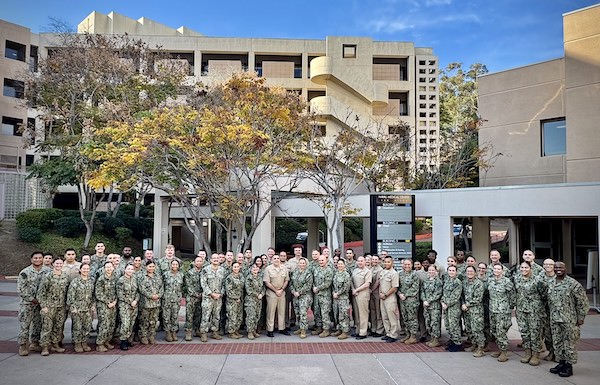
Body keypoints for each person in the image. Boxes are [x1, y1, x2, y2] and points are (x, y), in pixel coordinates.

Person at [547, 261, 589, 377]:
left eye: (560, 267)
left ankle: (569, 367)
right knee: (558, 342)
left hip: (569, 319)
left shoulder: (573, 284)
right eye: (556, 267)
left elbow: (583, 302)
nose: (558, 269)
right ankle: (561, 363)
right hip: (555, 319)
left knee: (569, 343)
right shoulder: (551, 282)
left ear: (565, 268)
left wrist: (581, 317)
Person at [17, 251, 50, 356]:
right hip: (27, 303)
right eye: (35, 258)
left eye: (40, 258)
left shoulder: (48, 271)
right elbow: (21, 289)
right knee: (25, 324)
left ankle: (35, 343)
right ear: (31, 260)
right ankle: (23, 345)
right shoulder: (25, 272)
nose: (38, 260)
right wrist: (32, 299)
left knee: (38, 324)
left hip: (41, 303)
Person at [513, 261, 546, 365]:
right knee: (524, 332)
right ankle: (527, 353)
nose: (524, 269)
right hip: (521, 310)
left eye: (526, 267)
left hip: (534, 311)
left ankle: (536, 354)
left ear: (530, 268)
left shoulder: (537, 280)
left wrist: (538, 306)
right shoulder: (517, 279)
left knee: (535, 333)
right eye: (522, 267)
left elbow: (544, 294)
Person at [38, 257, 69, 356]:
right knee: (47, 327)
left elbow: (67, 291)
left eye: (60, 264)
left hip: (61, 306)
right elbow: (41, 293)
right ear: (53, 264)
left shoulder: (65, 276)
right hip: (49, 306)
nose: (59, 265)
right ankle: (45, 347)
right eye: (57, 264)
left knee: (58, 326)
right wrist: (43, 306)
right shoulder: (48, 276)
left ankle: (55, 344)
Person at [488, 262, 515, 362]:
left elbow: (512, 295)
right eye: (495, 269)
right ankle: (499, 349)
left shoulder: (507, 282)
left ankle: (504, 352)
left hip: (503, 311)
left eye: (499, 269)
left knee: (501, 331)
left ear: (502, 271)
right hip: (493, 309)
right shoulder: (490, 281)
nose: (496, 271)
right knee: (494, 331)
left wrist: (510, 307)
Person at [67, 263, 94, 353]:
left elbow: (93, 295)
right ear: (80, 270)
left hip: (87, 308)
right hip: (77, 308)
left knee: (86, 326)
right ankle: (77, 343)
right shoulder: (75, 281)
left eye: (87, 269)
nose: (86, 270)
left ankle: (84, 342)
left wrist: (92, 305)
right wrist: (73, 307)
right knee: (77, 327)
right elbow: (71, 295)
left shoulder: (91, 281)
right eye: (84, 269)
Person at [199, 253, 227, 342]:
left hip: (218, 298)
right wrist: (211, 293)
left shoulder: (223, 270)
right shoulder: (205, 270)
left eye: (217, 258)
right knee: (206, 316)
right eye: (213, 258)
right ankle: (203, 333)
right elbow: (203, 283)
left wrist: (221, 293)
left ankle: (214, 332)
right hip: (208, 297)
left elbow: (224, 283)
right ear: (210, 260)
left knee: (216, 316)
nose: (215, 260)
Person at [263, 254, 289, 337]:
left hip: (281, 292)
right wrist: (275, 291)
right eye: (275, 258)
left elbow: (286, 280)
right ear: (271, 260)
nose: (277, 259)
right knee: (271, 312)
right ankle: (270, 330)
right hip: (271, 293)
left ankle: (282, 328)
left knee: (282, 311)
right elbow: (267, 282)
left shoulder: (284, 268)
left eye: (278, 258)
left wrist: (281, 290)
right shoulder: (268, 269)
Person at [138, 260, 164, 344]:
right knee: (144, 321)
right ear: (146, 267)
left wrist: (158, 295)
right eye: (150, 266)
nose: (151, 268)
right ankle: (144, 336)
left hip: (156, 303)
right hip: (146, 303)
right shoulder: (142, 276)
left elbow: (161, 287)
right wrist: (151, 296)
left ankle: (151, 336)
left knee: (153, 321)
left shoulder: (158, 276)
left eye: (153, 266)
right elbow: (142, 289)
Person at [462, 265, 485, 357]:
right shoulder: (464, 283)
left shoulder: (479, 283)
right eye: (468, 271)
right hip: (467, 311)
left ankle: (480, 348)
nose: (469, 273)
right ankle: (474, 344)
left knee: (477, 329)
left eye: (471, 271)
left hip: (476, 311)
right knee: (469, 329)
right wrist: (463, 304)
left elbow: (478, 299)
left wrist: (466, 304)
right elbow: (462, 295)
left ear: (475, 273)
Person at [95, 261, 118, 352]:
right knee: (104, 324)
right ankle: (100, 343)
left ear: (113, 268)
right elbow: (98, 293)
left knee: (111, 324)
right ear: (104, 268)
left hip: (113, 304)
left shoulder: (115, 278)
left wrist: (114, 301)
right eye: (107, 267)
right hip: (103, 305)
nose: (109, 269)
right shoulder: (101, 279)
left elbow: (117, 291)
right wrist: (108, 302)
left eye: (110, 267)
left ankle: (107, 341)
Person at [116, 263, 139, 350]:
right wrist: (130, 302)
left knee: (131, 323)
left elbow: (137, 292)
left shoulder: (134, 279)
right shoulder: (121, 280)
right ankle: (123, 341)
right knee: (125, 323)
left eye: (131, 269)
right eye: (128, 269)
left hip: (134, 305)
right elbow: (120, 294)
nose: (130, 271)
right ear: (125, 270)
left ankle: (128, 339)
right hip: (124, 305)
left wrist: (135, 300)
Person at [398, 259, 420, 344]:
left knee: (412, 318)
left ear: (412, 265)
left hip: (411, 300)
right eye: (405, 264)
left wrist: (405, 295)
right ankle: (407, 334)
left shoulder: (415, 275)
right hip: (402, 300)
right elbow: (398, 286)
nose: (407, 266)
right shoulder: (400, 274)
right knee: (405, 318)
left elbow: (415, 288)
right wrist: (400, 294)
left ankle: (413, 336)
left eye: (408, 264)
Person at [441, 265, 463, 352]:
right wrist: (443, 302)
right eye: (450, 270)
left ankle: (458, 343)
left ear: (456, 272)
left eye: (453, 270)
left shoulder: (457, 282)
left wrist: (447, 304)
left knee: (454, 325)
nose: (451, 272)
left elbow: (455, 296)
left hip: (454, 307)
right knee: (448, 325)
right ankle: (453, 341)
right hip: (446, 306)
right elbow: (444, 293)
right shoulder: (447, 281)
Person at [379, 256, 400, 343]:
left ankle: (394, 334)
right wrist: (380, 293)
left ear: (392, 263)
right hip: (382, 297)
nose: (386, 263)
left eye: (388, 262)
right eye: (385, 262)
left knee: (392, 317)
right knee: (385, 316)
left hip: (390, 297)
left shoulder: (394, 273)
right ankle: (388, 333)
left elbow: (395, 287)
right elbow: (380, 283)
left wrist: (386, 295)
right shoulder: (383, 272)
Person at [290, 257, 313, 339]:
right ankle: (300, 327)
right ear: (298, 264)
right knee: (298, 313)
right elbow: (291, 283)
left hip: (304, 296)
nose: (302, 264)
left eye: (303, 263)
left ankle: (303, 330)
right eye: (301, 263)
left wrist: (299, 292)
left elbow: (308, 285)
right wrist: (293, 291)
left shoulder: (308, 273)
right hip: (296, 296)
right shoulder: (295, 272)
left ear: (306, 264)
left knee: (303, 313)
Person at [184, 253, 205, 341]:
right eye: (197, 261)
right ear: (194, 262)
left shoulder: (204, 271)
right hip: (192, 297)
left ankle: (197, 330)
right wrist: (196, 294)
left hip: (202, 297)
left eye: (200, 261)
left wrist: (202, 294)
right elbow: (188, 286)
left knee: (199, 314)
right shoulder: (189, 273)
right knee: (190, 315)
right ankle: (188, 332)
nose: (199, 262)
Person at [421, 265, 442, 347]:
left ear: (436, 271)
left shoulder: (438, 281)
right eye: (429, 270)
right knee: (428, 322)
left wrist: (428, 301)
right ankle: (432, 338)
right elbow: (422, 291)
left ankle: (436, 339)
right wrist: (424, 300)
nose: (431, 272)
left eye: (433, 270)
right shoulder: (426, 281)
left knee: (435, 323)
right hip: (426, 306)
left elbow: (438, 293)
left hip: (434, 306)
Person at [162, 259, 183, 342]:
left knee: (174, 316)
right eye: (173, 264)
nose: (174, 266)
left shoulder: (181, 275)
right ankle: (168, 332)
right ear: (170, 265)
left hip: (176, 299)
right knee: (166, 316)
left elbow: (183, 286)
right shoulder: (165, 274)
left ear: (178, 266)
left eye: (176, 264)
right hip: (167, 298)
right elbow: (161, 285)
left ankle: (174, 331)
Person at [312, 255, 333, 337]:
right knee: (317, 312)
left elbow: (328, 283)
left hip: (325, 295)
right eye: (320, 260)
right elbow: (314, 280)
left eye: (322, 260)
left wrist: (318, 288)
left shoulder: (329, 270)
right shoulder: (316, 269)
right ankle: (319, 327)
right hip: (317, 295)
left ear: (326, 261)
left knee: (325, 313)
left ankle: (326, 329)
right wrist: (314, 287)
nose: (321, 262)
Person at [351, 256, 372, 339]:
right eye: (358, 261)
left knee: (363, 314)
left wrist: (357, 290)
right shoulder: (355, 270)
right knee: (357, 314)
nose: (360, 262)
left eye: (361, 261)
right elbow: (351, 281)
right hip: (355, 294)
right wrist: (353, 289)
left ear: (365, 262)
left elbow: (367, 284)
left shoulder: (367, 271)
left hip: (363, 294)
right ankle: (358, 330)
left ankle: (363, 332)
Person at [540, 258, 556, 362]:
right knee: (547, 333)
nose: (548, 266)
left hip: (557, 311)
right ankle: (551, 352)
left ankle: (559, 354)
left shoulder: (559, 278)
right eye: (546, 264)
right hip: (544, 311)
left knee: (557, 334)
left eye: (550, 264)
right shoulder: (539, 278)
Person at [332, 259, 351, 340]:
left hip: (343, 298)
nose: (339, 265)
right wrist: (333, 292)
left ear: (344, 265)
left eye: (341, 264)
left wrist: (337, 293)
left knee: (343, 315)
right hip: (336, 298)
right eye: (338, 264)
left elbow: (346, 287)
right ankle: (339, 329)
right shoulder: (336, 274)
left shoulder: (346, 275)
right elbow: (333, 285)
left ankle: (345, 332)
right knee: (337, 315)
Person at [245, 263, 265, 340]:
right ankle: (250, 331)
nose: (255, 269)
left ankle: (254, 330)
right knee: (251, 316)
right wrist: (257, 294)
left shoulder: (260, 277)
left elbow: (263, 288)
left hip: (259, 300)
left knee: (257, 316)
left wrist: (262, 294)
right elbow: (248, 289)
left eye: (256, 268)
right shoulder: (249, 278)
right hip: (251, 300)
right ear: (251, 269)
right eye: (253, 268)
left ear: (259, 269)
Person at [225, 262, 245, 339]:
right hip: (232, 300)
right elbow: (228, 290)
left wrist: (240, 298)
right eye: (235, 267)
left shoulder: (241, 276)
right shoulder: (229, 278)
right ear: (232, 268)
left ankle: (236, 330)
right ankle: (231, 332)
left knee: (239, 316)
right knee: (232, 316)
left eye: (237, 267)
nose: (236, 268)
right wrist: (236, 298)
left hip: (240, 300)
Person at [369, 254, 385, 337]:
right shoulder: (370, 268)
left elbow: (377, 282)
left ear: (378, 260)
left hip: (377, 292)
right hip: (370, 293)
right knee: (373, 311)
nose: (374, 261)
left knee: (378, 312)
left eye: (376, 259)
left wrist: (371, 290)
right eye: (373, 259)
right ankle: (373, 328)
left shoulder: (380, 269)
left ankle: (380, 330)